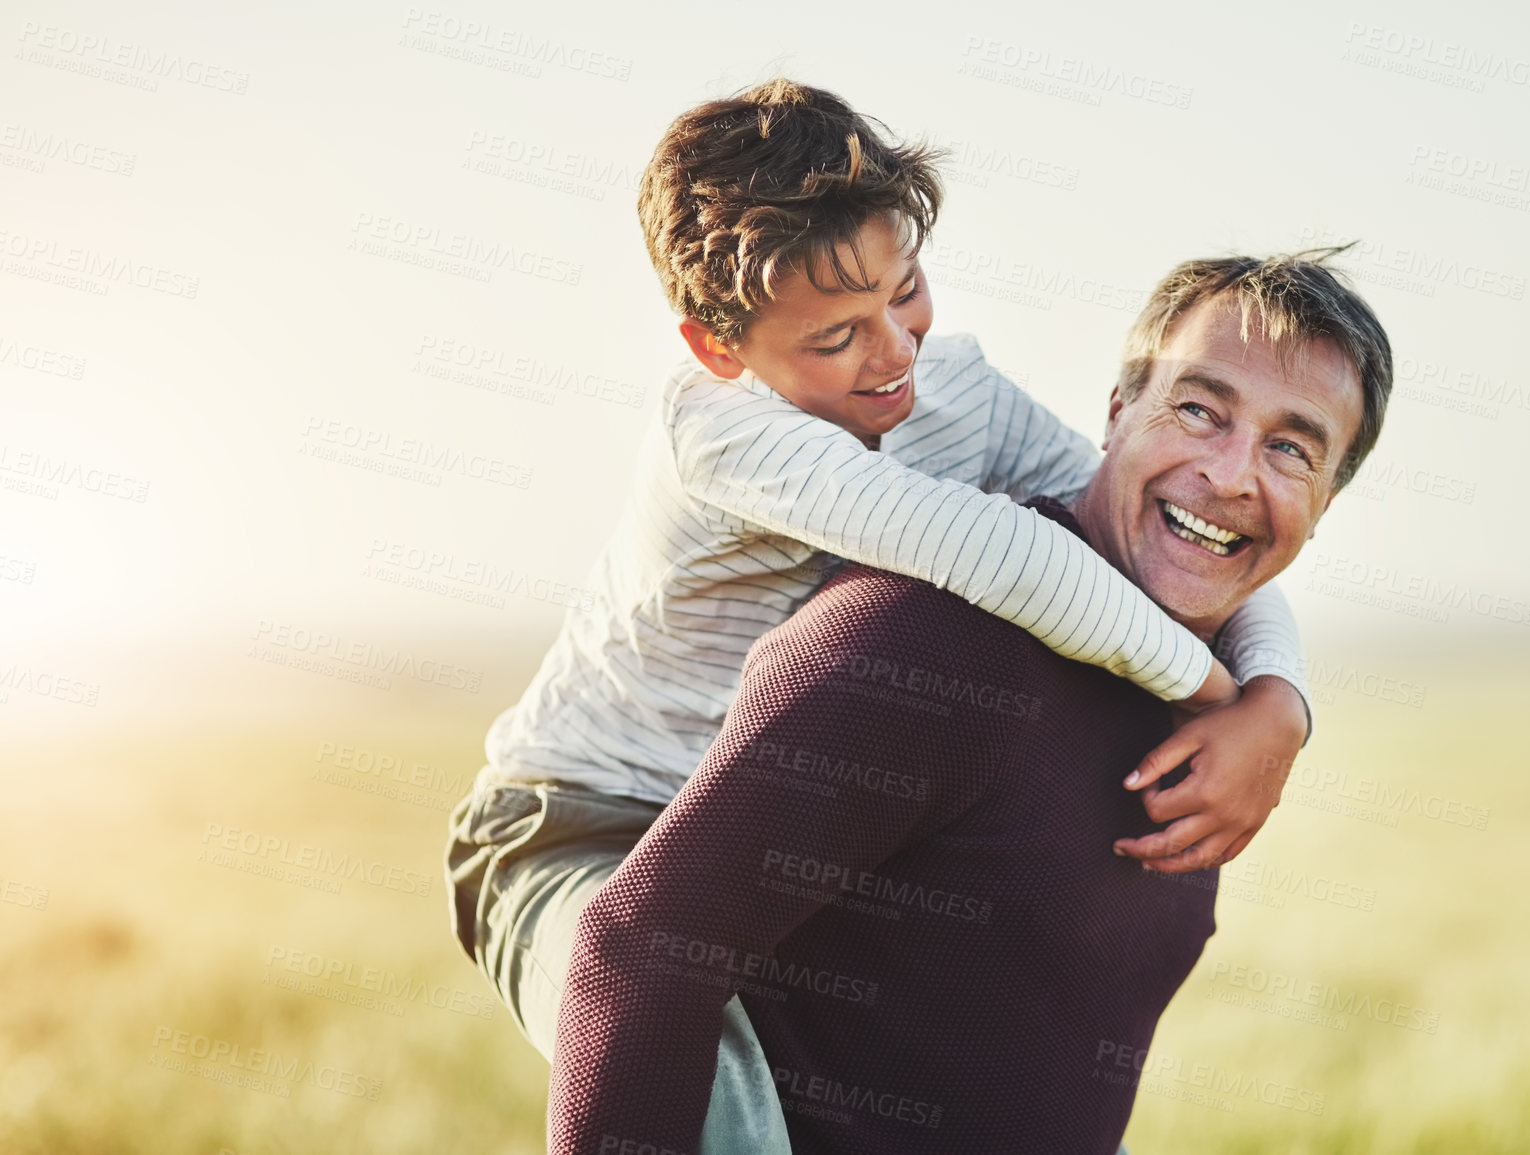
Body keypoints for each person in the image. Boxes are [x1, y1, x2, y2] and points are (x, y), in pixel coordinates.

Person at [445, 80, 1313, 1152]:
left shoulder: (952, 391)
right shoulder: (725, 436)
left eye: (907, 292)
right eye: (837, 336)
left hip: (740, 819)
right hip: (572, 828)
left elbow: (1162, 528)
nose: (895, 351)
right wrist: (1210, 687)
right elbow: (1012, 556)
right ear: (722, 350)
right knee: (688, 1046)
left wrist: (1281, 701)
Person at [548, 250, 1393, 1153]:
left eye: (1290, 447)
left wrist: (1281, 702)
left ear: (1327, 498)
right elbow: (639, 950)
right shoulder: (925, 638)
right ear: (1116, 412)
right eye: (1197, 409)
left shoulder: (1220, 718)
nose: (1230, 474)